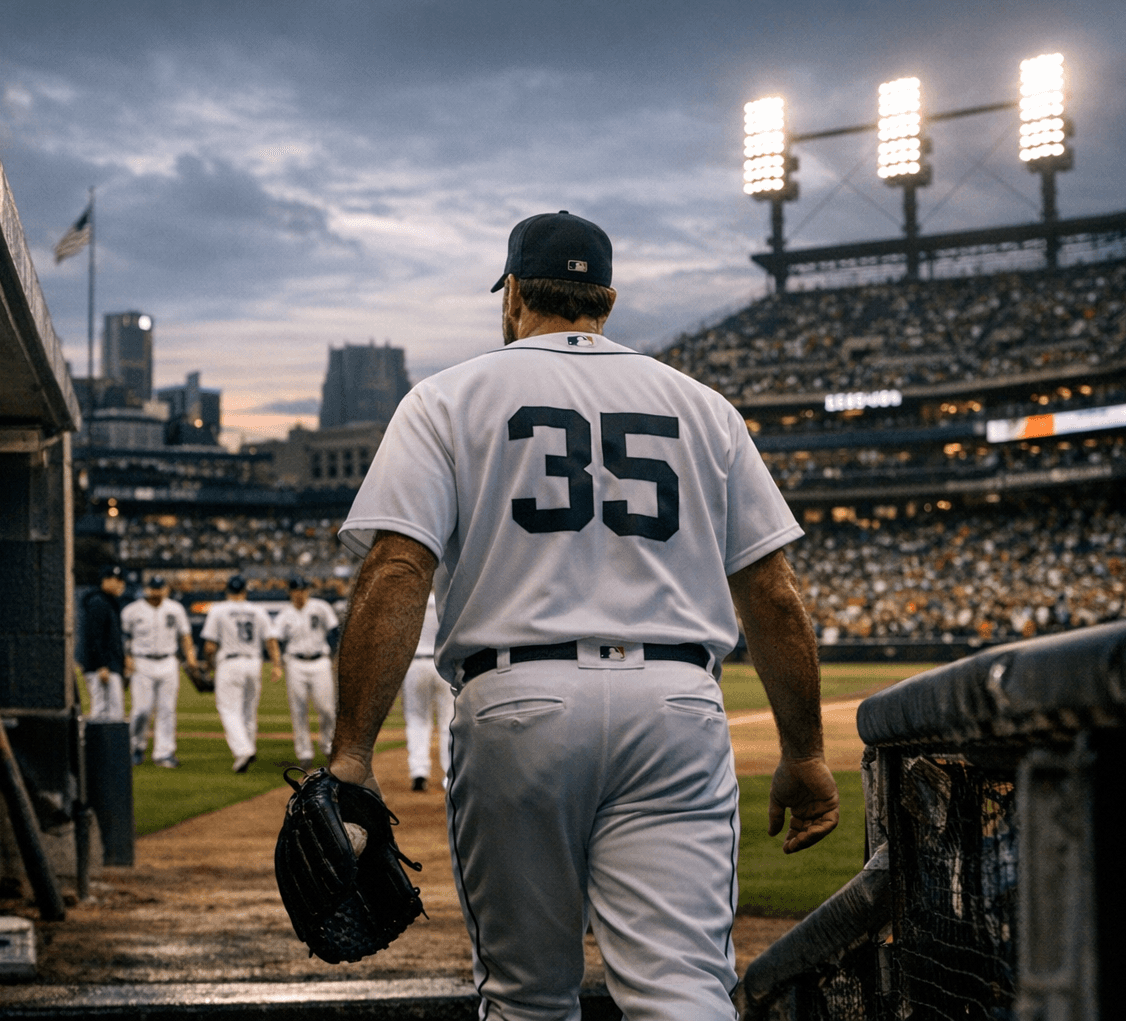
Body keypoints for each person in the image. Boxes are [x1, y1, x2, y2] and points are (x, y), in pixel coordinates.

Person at [329, 210, 839, 1020]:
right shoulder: (703, 408)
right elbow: (771, 592)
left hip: (517, 703)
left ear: (513, 297)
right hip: (673, 705)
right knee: (684, 992)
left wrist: (350, 756)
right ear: (605, 298)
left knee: (528, 1000)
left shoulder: (446, 397)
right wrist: (805, 752)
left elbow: (397, 569)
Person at [201, 574, 283, 773]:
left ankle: (243, 750)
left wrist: (210, 665)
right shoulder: (258, 610)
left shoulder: (219, 609)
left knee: (229, 710)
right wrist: (276, 665)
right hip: (253, 663)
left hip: (230, 663)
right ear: (245, 591)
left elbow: (210, 647)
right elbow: (271, 641)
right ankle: (250, 747)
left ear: (227, 591)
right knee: (249, 709)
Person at [122, 574, 198, 768]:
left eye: (160, 587)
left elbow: (185, 635)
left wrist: (190, 657)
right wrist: (127, 658)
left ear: (166, 589)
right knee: (141, 709)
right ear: (147, 589)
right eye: (153, 588)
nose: (157, 591)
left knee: (167, 709)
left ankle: (164, 753)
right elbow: (123, 638)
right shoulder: (133, 610)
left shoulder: (175, 608)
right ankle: (135, 747)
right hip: (142, 661)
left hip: (168, 661)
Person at [272, 576, 340, 769]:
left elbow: (334, 632)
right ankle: (304, 754)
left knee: (327, 708)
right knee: (298, 709)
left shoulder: (320, 607)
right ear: (291, 592)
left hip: (320, 661)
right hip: (295, 663)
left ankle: (327, 745)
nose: (300, 593)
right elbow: (274, 638)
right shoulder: (285, 614)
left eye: (303, 589)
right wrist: (277, 664)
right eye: (296, 590)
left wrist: (336, 657)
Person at [402, 593, 452, 792]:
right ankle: (450, 775)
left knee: (417, 719)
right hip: (442, 663)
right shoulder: (446, 598)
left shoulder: (410, 600)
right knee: (448, 722)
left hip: (415, 664)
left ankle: (419, 773)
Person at [79, 565, 129, 720]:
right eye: (117, 580)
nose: (121, 584)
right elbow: (94, 636)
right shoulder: (98, 602)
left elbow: (112, 639)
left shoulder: (107, 602)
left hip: (109, 665)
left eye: (122, 580)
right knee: (104, 712)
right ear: (105, 580)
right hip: (101, 667)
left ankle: (107, 744)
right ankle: (100, 744)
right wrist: (101, 665)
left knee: (112, 712)